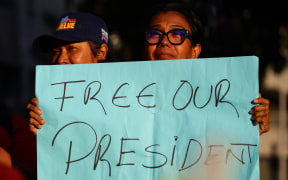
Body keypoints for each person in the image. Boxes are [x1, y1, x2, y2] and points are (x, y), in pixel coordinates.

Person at [141, 2, 271, 134]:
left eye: (177, 34)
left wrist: (250, 128)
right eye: (155, 34)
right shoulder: (122, 99)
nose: (164, 41)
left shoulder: (221, 101)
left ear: (195, 51)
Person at [27, 12, 117, 135]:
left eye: (72, 49)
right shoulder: (42, 111)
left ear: (101, 53)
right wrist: (40, 138)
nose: (60, 59)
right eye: (56, 51)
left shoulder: (128, 103)